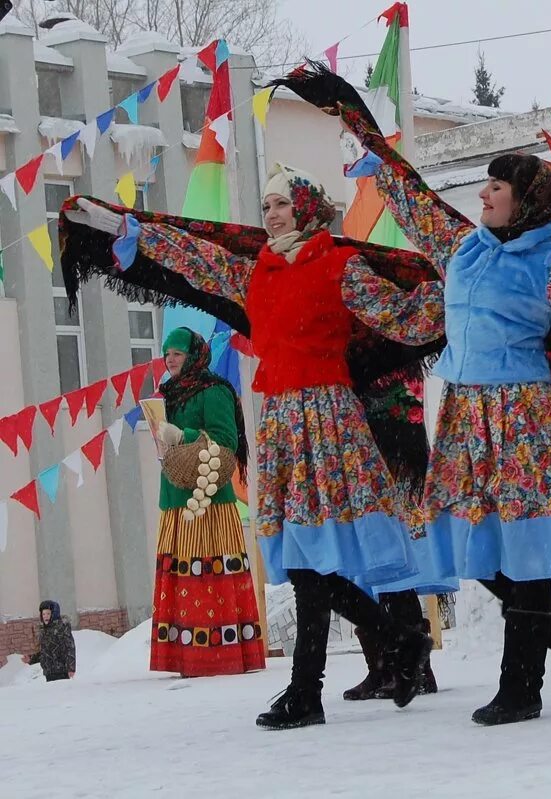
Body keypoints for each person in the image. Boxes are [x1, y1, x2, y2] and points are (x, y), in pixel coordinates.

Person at [278, 64, 551, 726]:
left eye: (497, 185)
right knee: (466, 541)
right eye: (485, 183)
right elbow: (408, 193)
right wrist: (349, 115)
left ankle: (522, 683)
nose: (484, 193)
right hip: (464, 414)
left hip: (522, 416)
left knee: (520, 547)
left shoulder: (547, 262)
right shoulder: (463, 249)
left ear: (527, 201)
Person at [62, 163, 445, 730]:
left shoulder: (342, 265)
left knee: (314, 561)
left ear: (307, 210)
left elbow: (402, 316)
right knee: (300, 561)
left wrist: (460, 292)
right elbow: (196, 257)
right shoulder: (256, 273)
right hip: (284, 425)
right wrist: (125, 229)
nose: (271, 215)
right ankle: (393, 644)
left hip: (330, 422)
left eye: (281, 205)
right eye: (266, 206)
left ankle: (320, 684)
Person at [150, 326, 265, 677]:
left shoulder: (214, 390)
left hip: (208, 499)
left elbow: (226, 440)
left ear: (194, 356)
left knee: (209, 570)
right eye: (167, 353)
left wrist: (181, 434)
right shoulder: (166, 394)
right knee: (182, 574)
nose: (170, 360)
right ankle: (185, 657)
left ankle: (218, 656)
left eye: (178, 354)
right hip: (175, 497)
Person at [23, 601, 76, 682]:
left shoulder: (62, 628)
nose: (45, 616)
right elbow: (45, 652)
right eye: (43, 614)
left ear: (54, 614)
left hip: (61, 671)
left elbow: (70, 648)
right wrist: (31, 659)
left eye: (48, 613)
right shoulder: (44, 631)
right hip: (49, 672)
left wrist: (71, 668)